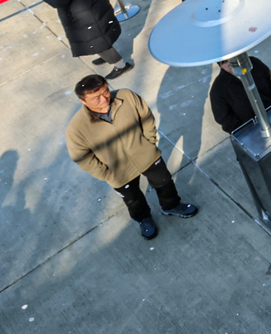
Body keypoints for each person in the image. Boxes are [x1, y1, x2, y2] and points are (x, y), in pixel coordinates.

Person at [67, 75, 197, 239]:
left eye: (106, 91)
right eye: (96, 97)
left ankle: (171, 205)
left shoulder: (126, 96)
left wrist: (149, 142)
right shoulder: (76, 129)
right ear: (83, 101)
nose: (104, 98)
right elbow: (82, 157)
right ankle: (144, 219)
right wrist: (106, 174)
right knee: (133, 200)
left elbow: (146, 117)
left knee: (164, 182)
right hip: (118, 172)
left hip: (146, 155)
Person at [209, 55, 271, 134]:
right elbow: (225, 120)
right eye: (224, 62)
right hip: (252, 131)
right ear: (220, 66)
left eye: (232, 58)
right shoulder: (218, 89)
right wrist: (246, 132)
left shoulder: (254, 63)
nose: (231, 62)